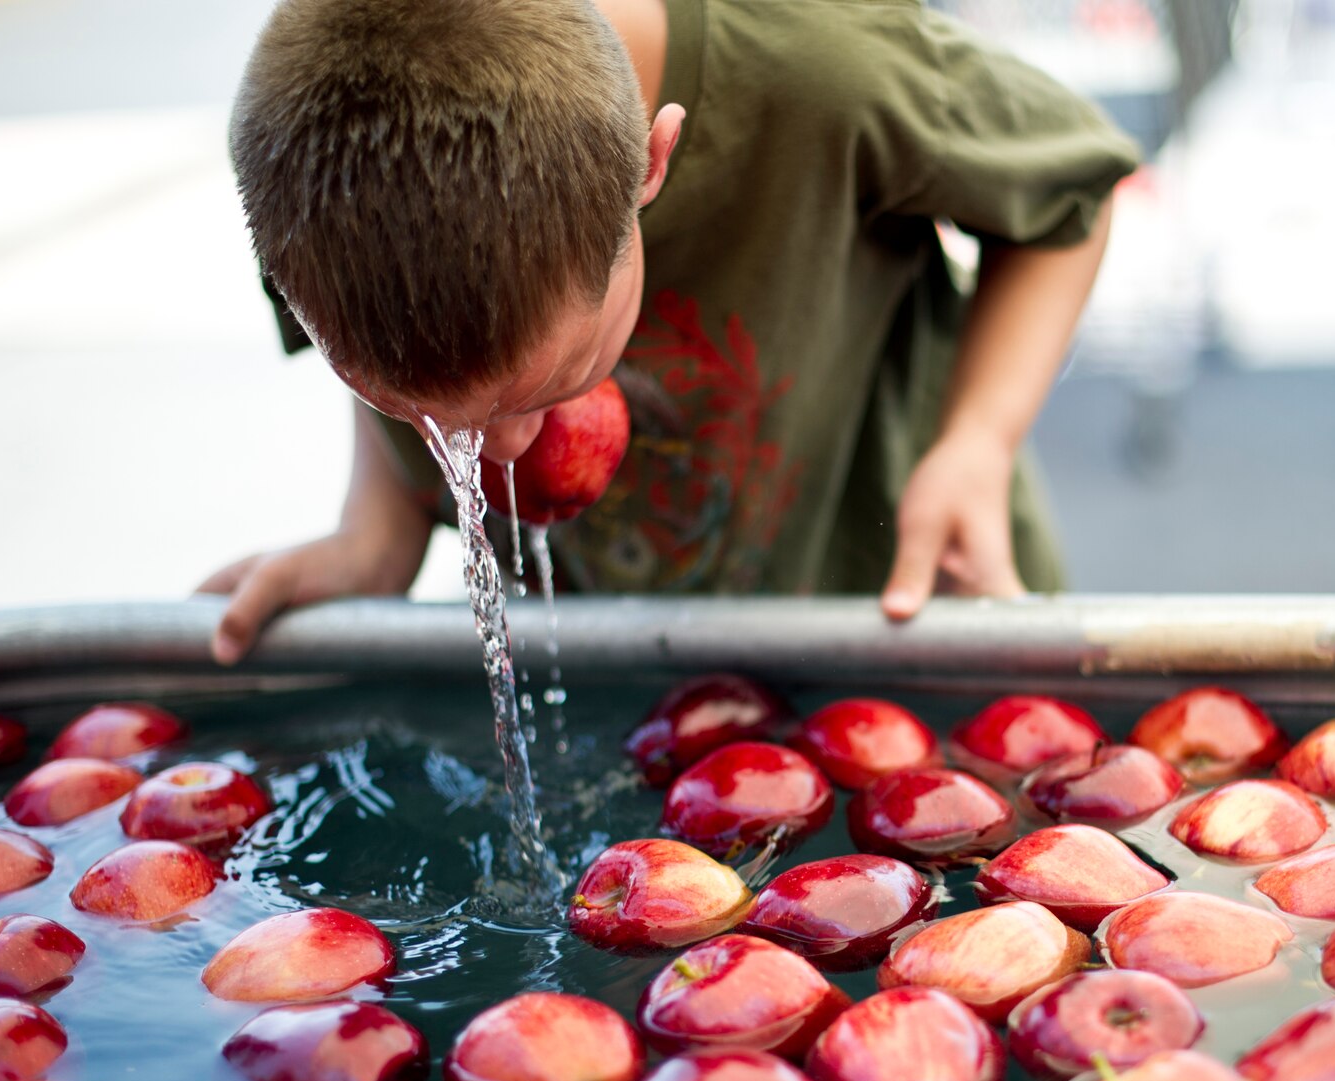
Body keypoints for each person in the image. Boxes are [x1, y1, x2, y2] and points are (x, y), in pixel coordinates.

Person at [202, 0, 1140, 664]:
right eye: (420, 416)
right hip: (618, 666)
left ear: (652, 165)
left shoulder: (822, 65)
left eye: (549, 385)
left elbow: (1069, 197)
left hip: (898, 611)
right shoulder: (322, 175)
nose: (507, 454)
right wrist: (379, 524)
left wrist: (979, 438)